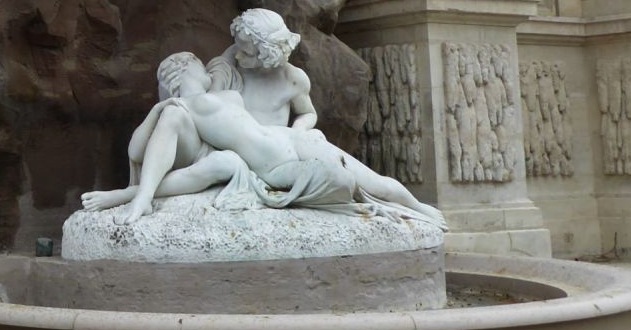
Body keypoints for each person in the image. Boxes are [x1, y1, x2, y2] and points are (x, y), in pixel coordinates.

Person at [81, 52, 445, 228]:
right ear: (180, 72)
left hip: (294, 140)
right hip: (278, 166)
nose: (208, 67)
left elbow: (235, 51)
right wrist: (161, 107)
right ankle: (138, 198)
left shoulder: (223, 94)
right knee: (350, 183)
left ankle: (420, 208)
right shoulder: (177, 110)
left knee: (380, 184)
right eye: (196, 63)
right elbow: (136, 151)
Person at [204, 8, 316, 131]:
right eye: (237, 46)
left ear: (268, 55)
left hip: (271, 142)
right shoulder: (232, 58)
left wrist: (297, 130)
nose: (237, 55)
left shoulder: (293, 79)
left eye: (246, 53)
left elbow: (308, 114)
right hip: (230, 136)